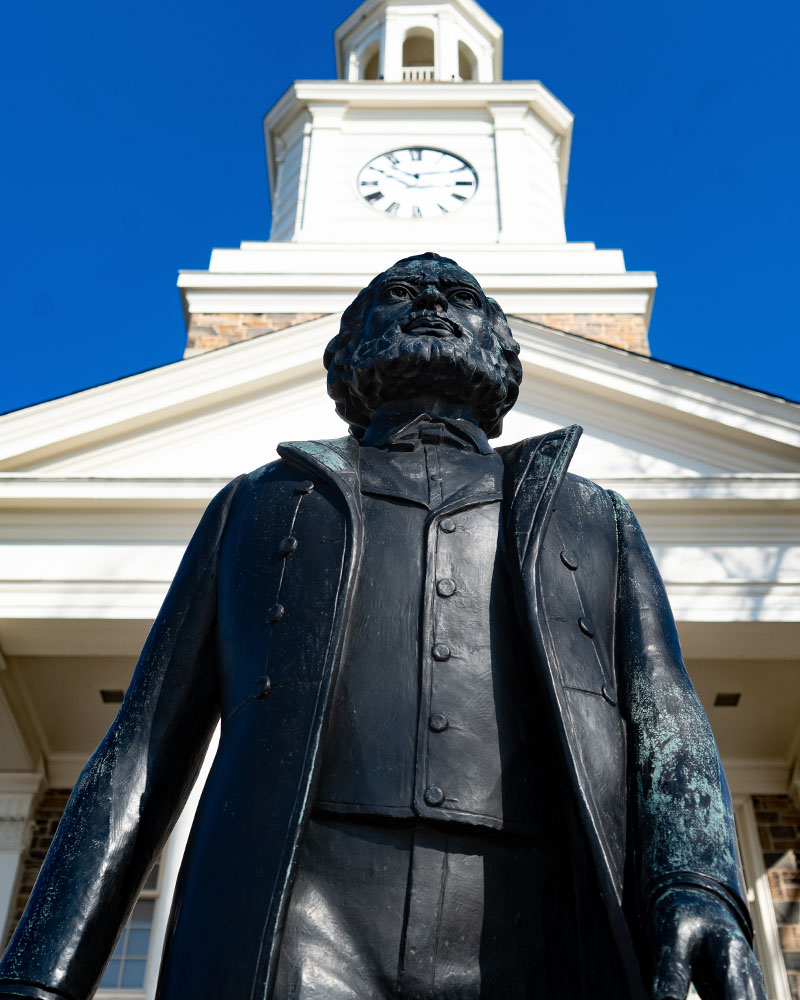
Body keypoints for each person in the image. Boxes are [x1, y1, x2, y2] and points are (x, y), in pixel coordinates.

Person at [0, 253, 764, 1000]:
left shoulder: (594, 516)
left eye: (461, 298)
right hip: (300, 914)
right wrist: (38, 976)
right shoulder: (256, 504)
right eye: (399, 293)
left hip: (536, 921)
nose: (431, 304)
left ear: (504, 352)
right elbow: (143, 745)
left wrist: (696, 878)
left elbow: (664, 704)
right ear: (348, 349)